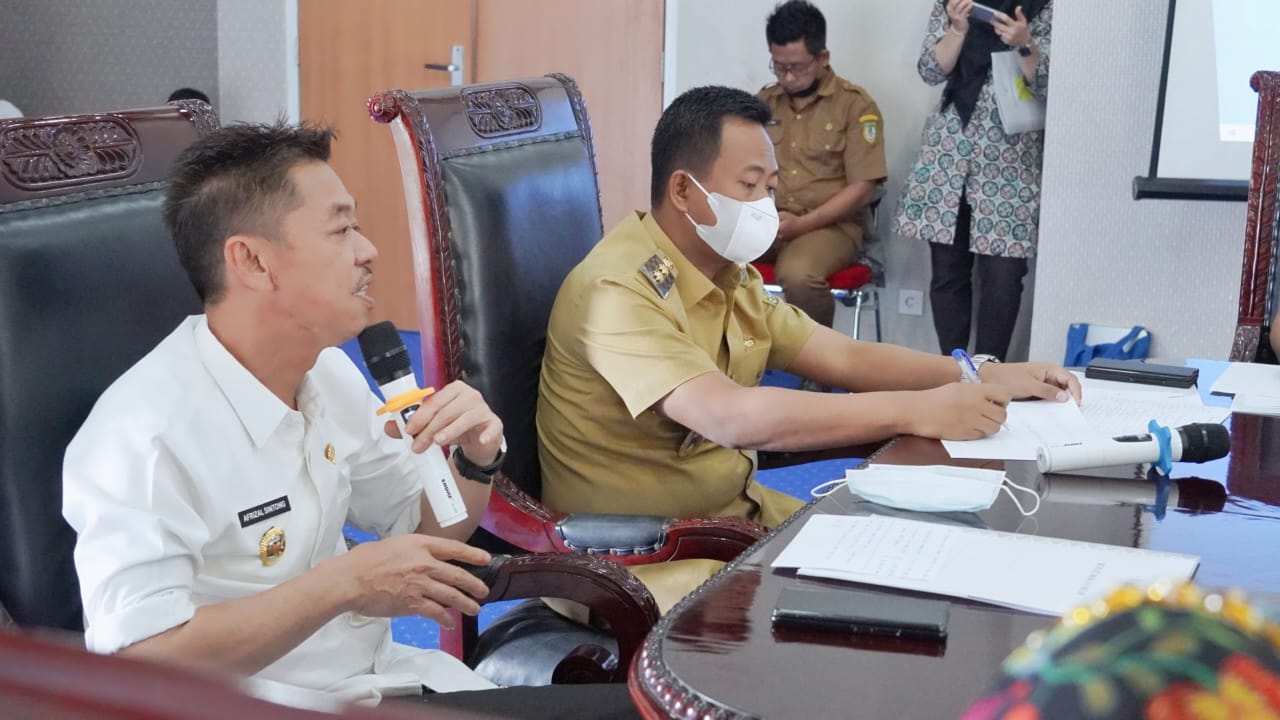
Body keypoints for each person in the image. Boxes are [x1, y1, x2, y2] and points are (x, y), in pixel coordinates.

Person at [61, 122, 637, 719]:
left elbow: (425, 529)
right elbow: (136, 664)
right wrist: (344, 584)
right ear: (252, 261)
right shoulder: (145, 437)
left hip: (387, 681)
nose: (368, 251)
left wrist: (473, 459)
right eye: (341, 230)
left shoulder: (327, 373)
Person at [537, 85, 1080, 535]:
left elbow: (843, 357)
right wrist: (915, 410)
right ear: (683, 189)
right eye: (748, 185)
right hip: (646, 551)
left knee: (904, 549)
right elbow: (731, 416)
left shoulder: (727, 273)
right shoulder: (617, 290)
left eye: (770, 188)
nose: (764, 205)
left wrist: (980, 371)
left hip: (732, 516)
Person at [893, 0, 1052, 361]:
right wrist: (957, 30)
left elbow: (1051, 83)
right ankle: (954, 369)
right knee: (948, 272)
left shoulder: (1046, 6)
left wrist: (1024, 42)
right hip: (951, 151)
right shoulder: (953, 3)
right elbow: (930, 70)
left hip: (1012, 159)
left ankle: (989, 371)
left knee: (1003, 277)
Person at [756, 0, 887, 334]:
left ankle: (817, 359)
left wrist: (801, 225)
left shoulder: (855, 106)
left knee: (798, 274)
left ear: (823, 57)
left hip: (830, 227)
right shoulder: (763, 104)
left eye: (797, 67)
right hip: (768, 222)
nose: (787, 77)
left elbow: (863, 189)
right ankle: (730, 355)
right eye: (779, 67)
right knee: (702, 254)